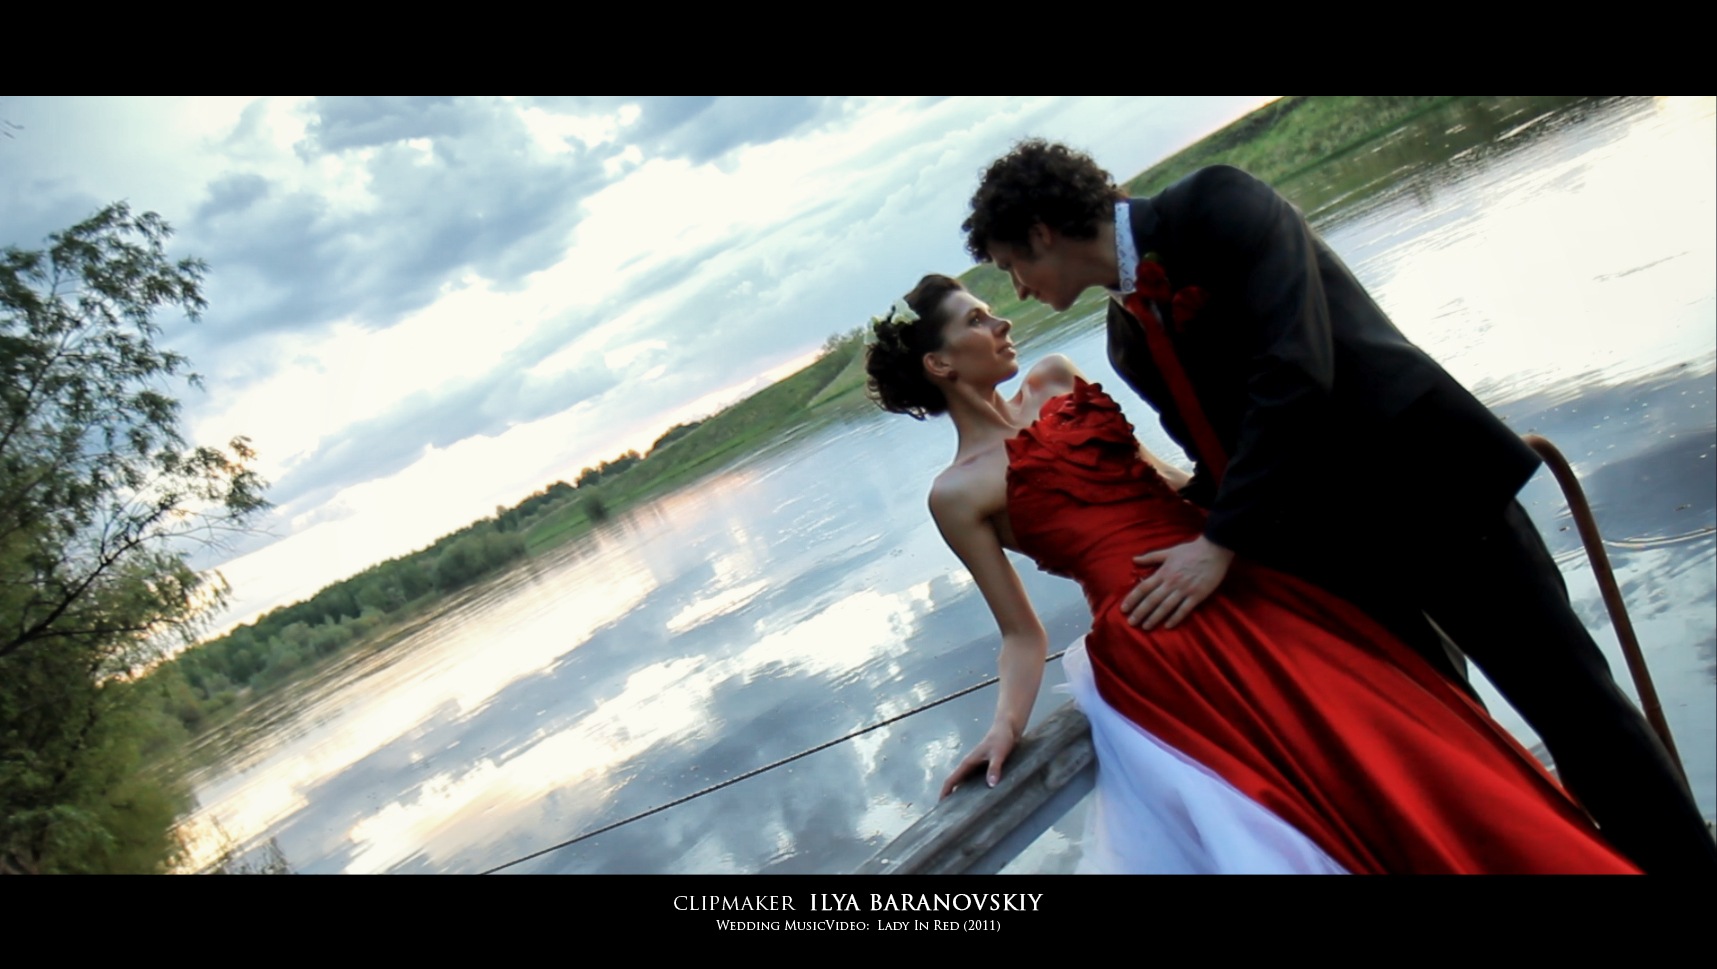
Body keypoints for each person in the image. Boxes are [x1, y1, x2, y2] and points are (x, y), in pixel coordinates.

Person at [960, 140, 1715, 875]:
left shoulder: (1217, 203)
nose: (1017, 289)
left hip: (1440, 502)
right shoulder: (1126, 340)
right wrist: (1118, 525)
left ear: (1042, 232)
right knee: (1449, 745)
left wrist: (1220, 542)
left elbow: (1296, 370)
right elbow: (1219, 460)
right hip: (1337, 564)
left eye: (1009, 265)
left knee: (1580, 714)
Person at [864, 274, 1636, 873]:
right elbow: (1019, 632)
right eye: (976, 320)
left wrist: (1270, 518)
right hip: (1166, 643)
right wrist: (1004, 727)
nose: (1000, 322)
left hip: (1240, 580)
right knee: (1312, 798)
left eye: (991, 310)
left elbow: (1173, 485)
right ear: (939, 363)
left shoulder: (1058, 380)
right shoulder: (957, 493)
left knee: (1406, 744)